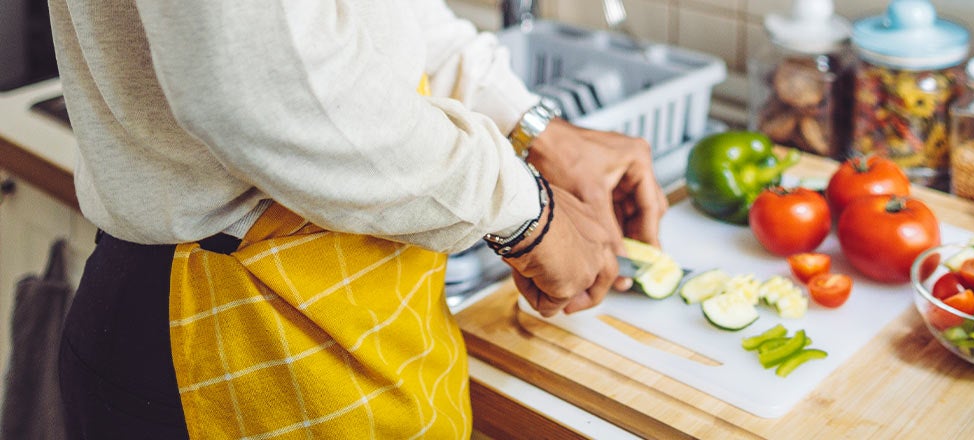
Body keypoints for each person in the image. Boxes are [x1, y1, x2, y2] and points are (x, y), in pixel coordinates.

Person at [50, 0, 667, 437]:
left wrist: (533, 127)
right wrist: (524, 211)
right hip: (221, 330)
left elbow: (377, 16)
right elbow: (266, 85)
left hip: (351, 316)